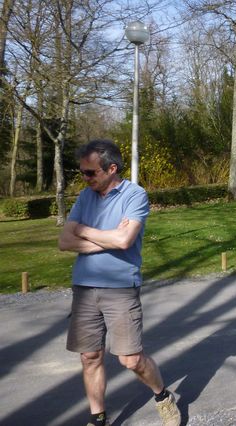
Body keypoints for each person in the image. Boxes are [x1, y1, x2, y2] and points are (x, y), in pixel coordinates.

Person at [58, 140, 180, 426]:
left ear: (112, 169)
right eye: (82, 173)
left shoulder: (135, 195)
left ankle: (162, 396)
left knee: (131, 359)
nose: (85, 178)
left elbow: (124, 240)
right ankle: (97, 418)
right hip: (84, 288)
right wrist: (107, 238)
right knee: (89, 356)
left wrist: (83, 231)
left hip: (120, 288)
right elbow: (64, 241)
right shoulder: (84, 197)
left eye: (91, 173)